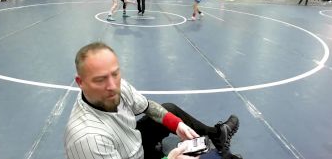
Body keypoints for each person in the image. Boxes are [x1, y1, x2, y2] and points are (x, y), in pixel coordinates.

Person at [64, 42, 241, 159]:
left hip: (132, 144)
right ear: (80, 83)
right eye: (100, 79)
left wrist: (177, 124)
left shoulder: (118, 86)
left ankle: (215, 134)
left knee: (168, 109)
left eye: (115, 74)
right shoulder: (88, 139)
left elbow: (148, 106)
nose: (112, 85)